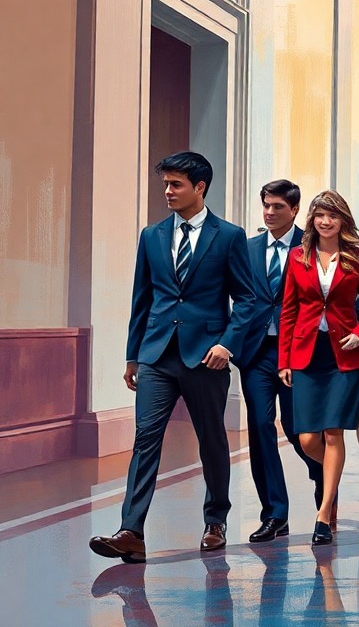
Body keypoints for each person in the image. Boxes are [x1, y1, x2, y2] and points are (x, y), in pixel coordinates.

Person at [91, 152, 260, 563]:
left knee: (211, 439)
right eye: (165, 184)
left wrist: (226, 344)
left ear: (199, 187)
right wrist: (133, 355)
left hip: (206, 357)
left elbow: (249, 299)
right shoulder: (151, 236)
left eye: (175, 184)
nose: (167, 191)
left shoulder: (229, 236)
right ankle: (131, 531)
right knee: (145, 439)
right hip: (156, 355)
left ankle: (215, 521)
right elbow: (142, 298)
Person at [278, 191, 359, 545]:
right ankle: (331, 477)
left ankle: (323, 514)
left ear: (342, 220)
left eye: (333, 216)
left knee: (334, 433)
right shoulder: (298, 256)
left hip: (343, 355)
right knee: (307, 439)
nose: (326, 222)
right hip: (306, 355)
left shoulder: (358, 256)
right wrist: (284, 361)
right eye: (320, 215)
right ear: (312, 219)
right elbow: (288, 311)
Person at [236, 180, 324, 544]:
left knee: (297, 428)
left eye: (277, 207)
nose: (269, 213)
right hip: (256, 352)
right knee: (260, 426)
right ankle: (275, 514)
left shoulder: (312, 246)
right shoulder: (248, 248)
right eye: (266, 206)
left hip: (299, 352)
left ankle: (322, 477)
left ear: (294, 210)